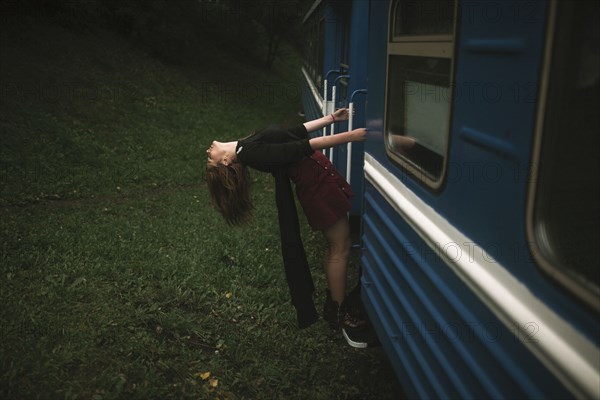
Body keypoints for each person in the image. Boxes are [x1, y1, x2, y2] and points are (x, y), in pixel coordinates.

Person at [205, 108, 367, 334]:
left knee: (340, 245)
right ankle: (337, 310)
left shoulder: (246, 144)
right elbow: (304, 146)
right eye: (210, 159)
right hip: (317, 189)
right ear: (225, 161)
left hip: (319, 183)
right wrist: (353, 136)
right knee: (339, 247)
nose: (207, 151)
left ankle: (337, 305)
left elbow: (294, 133)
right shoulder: (251, 154)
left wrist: (331, 119)